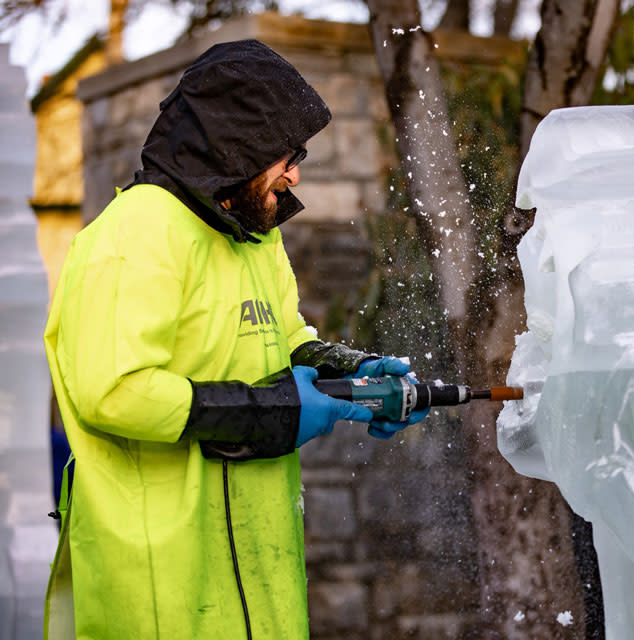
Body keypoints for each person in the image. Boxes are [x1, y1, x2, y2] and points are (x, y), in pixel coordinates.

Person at [43, 39, 424, 639]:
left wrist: (352, 372)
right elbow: (113, 390)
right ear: (235, 141)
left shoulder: (251, 233)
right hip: (159, 589)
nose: (296, 172)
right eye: (286, 153)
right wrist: (269, 411)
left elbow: (286, 336)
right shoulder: (137, 232)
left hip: (256, 580)